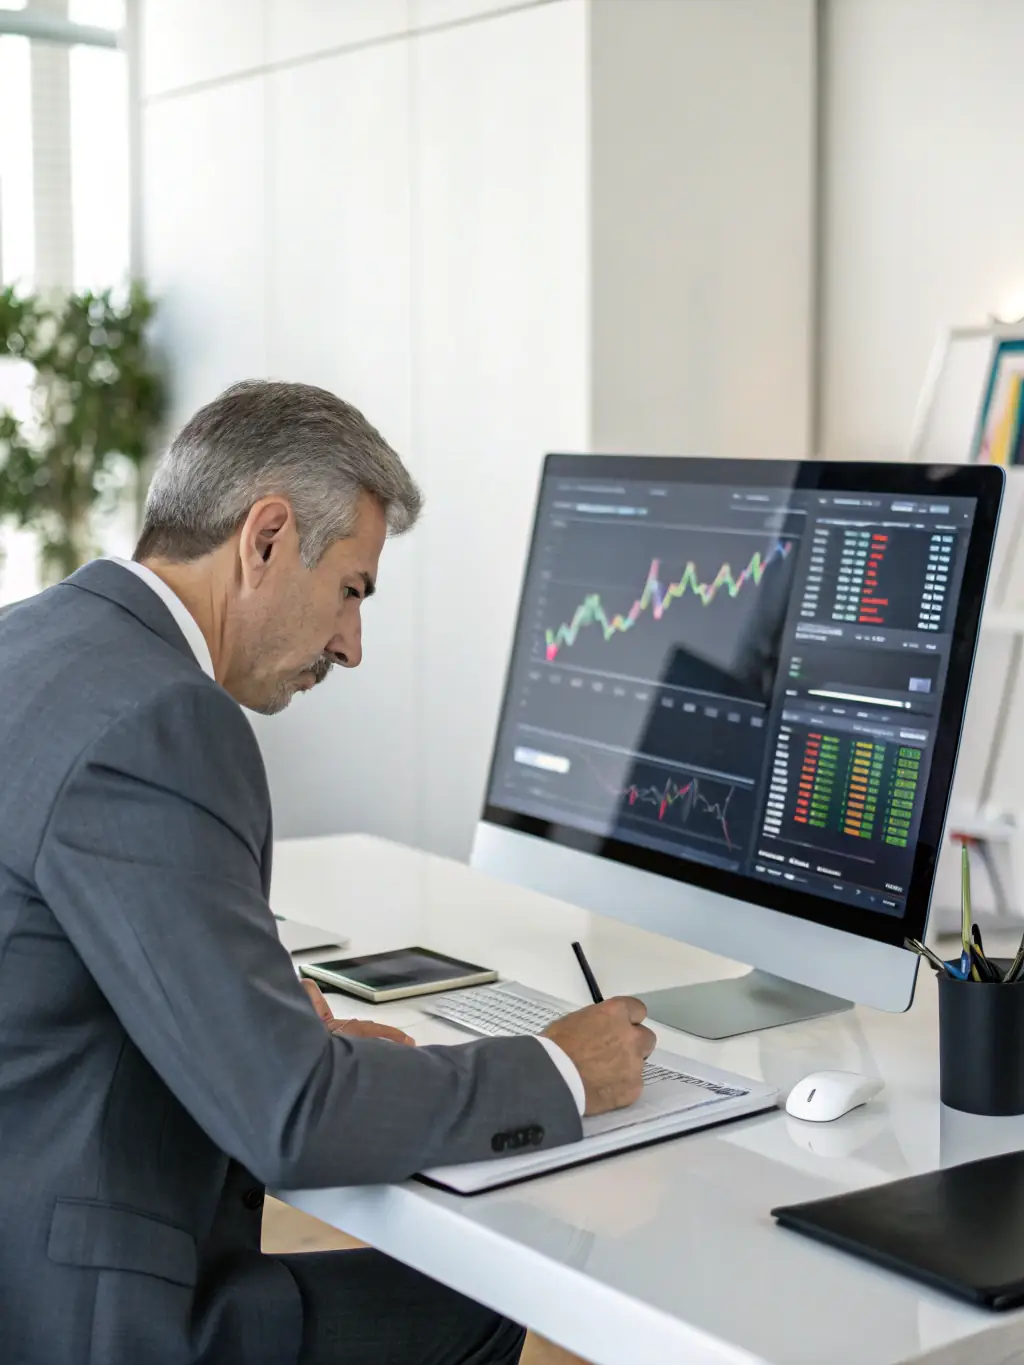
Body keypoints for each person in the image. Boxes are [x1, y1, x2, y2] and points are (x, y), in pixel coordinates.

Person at [0, 380, 655, 1365]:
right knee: (486, 1301)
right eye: (352, 589)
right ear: (264, 538)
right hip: (90, 1320)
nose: (351, 645)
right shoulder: (163, 720)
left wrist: (258, 1025)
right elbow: (292, 1118)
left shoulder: (32, 643)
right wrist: (565, 1068)